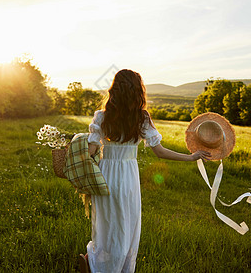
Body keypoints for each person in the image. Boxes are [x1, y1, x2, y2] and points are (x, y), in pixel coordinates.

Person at [79, 69, 210, 273]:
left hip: (105, 175)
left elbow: (91, 151)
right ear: (137, 92)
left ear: (114, 90)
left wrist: (73, 151)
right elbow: (160, 151)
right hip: (128, 177)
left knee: (106, 224)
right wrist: (190, 157)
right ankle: (115, 266)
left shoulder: (102, 117)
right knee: (126, 225)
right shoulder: (141, 118)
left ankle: (95, 263)